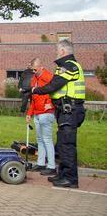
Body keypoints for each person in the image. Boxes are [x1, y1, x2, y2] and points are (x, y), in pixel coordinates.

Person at [32, 40, 85, 188]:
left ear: (62, 51)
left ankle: (70, 179)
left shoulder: (69, 66)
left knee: (67, 144)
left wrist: (35, 90)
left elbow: (55, 85)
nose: (56, 53)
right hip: (65, 111)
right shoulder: (66, 65)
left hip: (70, 110)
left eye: (57, 50)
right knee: (62, 144)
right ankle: (63, 174)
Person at [26, 58, 56, 176]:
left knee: (47, 139)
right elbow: (33, 98)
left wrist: (52, 104)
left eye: (35, 69)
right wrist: (29, 113)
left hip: (46, 112)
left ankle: (51, 166)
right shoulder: (34, 79)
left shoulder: (48, 76)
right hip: (37, 114)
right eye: (32, 70)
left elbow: (57, 90)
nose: (34, 72)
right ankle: (41, 163)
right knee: (40, 139)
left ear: (40, 66)